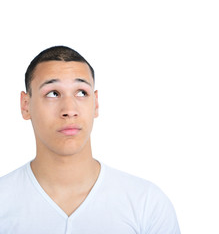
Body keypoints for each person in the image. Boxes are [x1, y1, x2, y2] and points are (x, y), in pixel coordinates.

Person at [0, 46, 180, 234]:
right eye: (53, 93)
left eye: (81, 92)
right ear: (25, 105)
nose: (69, 109)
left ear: (96, 103)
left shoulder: (147, 204)